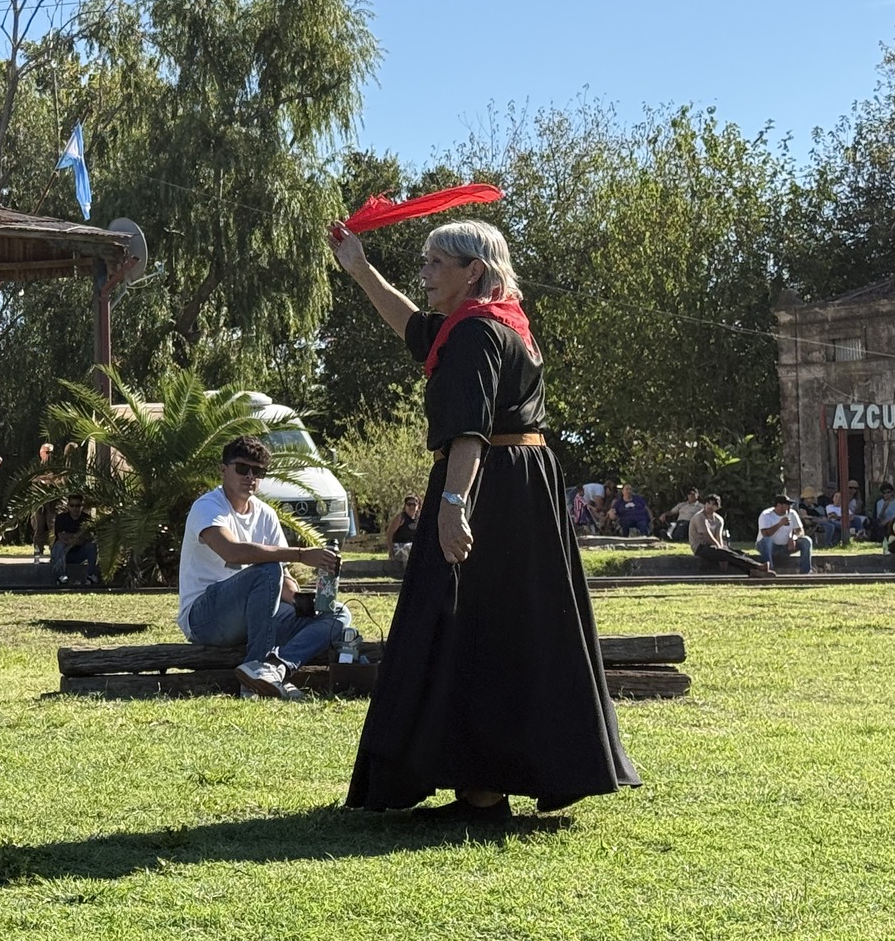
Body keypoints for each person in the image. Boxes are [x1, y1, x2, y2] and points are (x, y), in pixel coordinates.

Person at [330, 216, 637, 815]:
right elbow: (414, 329)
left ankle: (484, 785)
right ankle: (483, 780)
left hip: (488, 484)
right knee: (500, 624)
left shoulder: (474, 334)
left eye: (433, 263)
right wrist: (360, 268)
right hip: (522, 485)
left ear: (473, 271)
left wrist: (451, 505)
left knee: (474, 624)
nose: (421, 274)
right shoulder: (500, 325)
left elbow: (469, 432)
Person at [177, 436, 346, 701]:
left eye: (259, 472)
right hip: (205, 618)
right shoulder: (207, 507)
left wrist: (303, 602)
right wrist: (302, 554)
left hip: (258, 615)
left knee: (336, 614)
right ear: (223, 470)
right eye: (243, 469)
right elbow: (232, 551)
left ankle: (275, 669)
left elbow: (283, 579)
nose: (250, 477)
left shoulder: (265, 513)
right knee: (266, 571)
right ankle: (253, 674)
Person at [687, 495, 772, 578]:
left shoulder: (719, 519)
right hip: (700, 547)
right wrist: (721, 550)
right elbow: (706, 535)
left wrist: (722, 548)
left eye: (713, 504)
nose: (710, 506)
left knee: (737, 553)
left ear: (718, 507)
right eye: (708, 503)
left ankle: (752, 571)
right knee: (725, 553)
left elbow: (719, 537)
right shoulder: (699, 517)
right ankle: (757, 566)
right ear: (704, 504)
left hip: (714, 546)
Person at [756, 494, 813, 575]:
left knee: (806, 540)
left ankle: (805, 572)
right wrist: (779, 524)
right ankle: (769, 570)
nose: (789, 507)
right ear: (779, 505)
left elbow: (800, 531)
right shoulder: (766, 515)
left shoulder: (792, 513)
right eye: (787, 505)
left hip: (786, 547)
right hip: (769, 547)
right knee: (767, 540)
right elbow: (765, 534)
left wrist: (793, 538)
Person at [50, 494, 99, 585]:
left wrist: (72, 538)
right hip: (63, 553)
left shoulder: (86, 519)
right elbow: (61, 536)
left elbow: (88, 537)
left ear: (81, 506)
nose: (75, 508)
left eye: (78, 505)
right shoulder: (61, 518)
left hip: (79, 554)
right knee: (60, 545)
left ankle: (91, 575)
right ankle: (61, 576)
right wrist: (78, 538)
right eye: (72, 505)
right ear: (68, 506)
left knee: (92, 546)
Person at [30, 442, 57, 562]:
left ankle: (54, 551)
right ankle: (38, 551)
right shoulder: (36, 467)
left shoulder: (57, 467)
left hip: (52, 503)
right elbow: (34, 480)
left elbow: (58, 481)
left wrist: (47, 480)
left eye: (51, 452)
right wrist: (46, 480)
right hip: (39, 502)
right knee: (38, 528)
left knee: (53, 527)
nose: (50, 455)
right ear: (41, 453)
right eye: (47, 452)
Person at [386, 493, 421, 576]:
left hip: (412, 546)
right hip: (399, 546)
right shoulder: (400, 518)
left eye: (414, 504)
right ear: (405, 506)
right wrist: (391, 551)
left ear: (417, 506)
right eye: (409, 504)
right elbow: (389, 534)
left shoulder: (418, 519)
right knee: (409, 548)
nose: (412, 507)